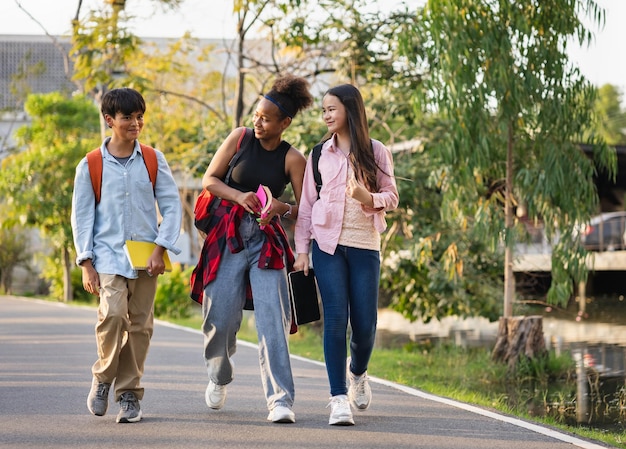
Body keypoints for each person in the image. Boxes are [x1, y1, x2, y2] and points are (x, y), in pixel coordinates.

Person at [190, 74, 313, 423]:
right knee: (219, 318)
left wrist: (281, 209)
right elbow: (209, 180)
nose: (258, 121)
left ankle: (280, 400)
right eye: (257, 114)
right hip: (227, 236)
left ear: (284, 123)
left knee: (273, 319)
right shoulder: (240, 138)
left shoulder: (293, 159)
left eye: (266, 118)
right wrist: (238, 195)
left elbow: (304, 208)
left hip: (266, 241)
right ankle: (219, 375)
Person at [71, 87, 182, 423]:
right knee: (114, 315)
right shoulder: (90, 164)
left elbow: (172, 205)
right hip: (106, 256)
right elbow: (82, 216)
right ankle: (103, 377)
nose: (136, 123)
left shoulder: (152, 158)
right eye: (128, 117)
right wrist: (86, 263)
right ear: (109, 120)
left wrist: (161, 248)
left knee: (141, 327)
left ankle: (130, 395)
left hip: (147, 254)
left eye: (139, 116)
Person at [293, 84, 399, 425]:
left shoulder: (376, 151)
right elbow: (308, 206)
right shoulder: (318, 154)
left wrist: (368, 198)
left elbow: (392, 197)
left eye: (331, 109)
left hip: (365, 244)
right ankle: (338, 398)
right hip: (327, 246)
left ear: (350, 111)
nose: (325, 115)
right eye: (323, 110)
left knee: (365, 325)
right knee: (336, 319)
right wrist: (302, 251)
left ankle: (358, 373)